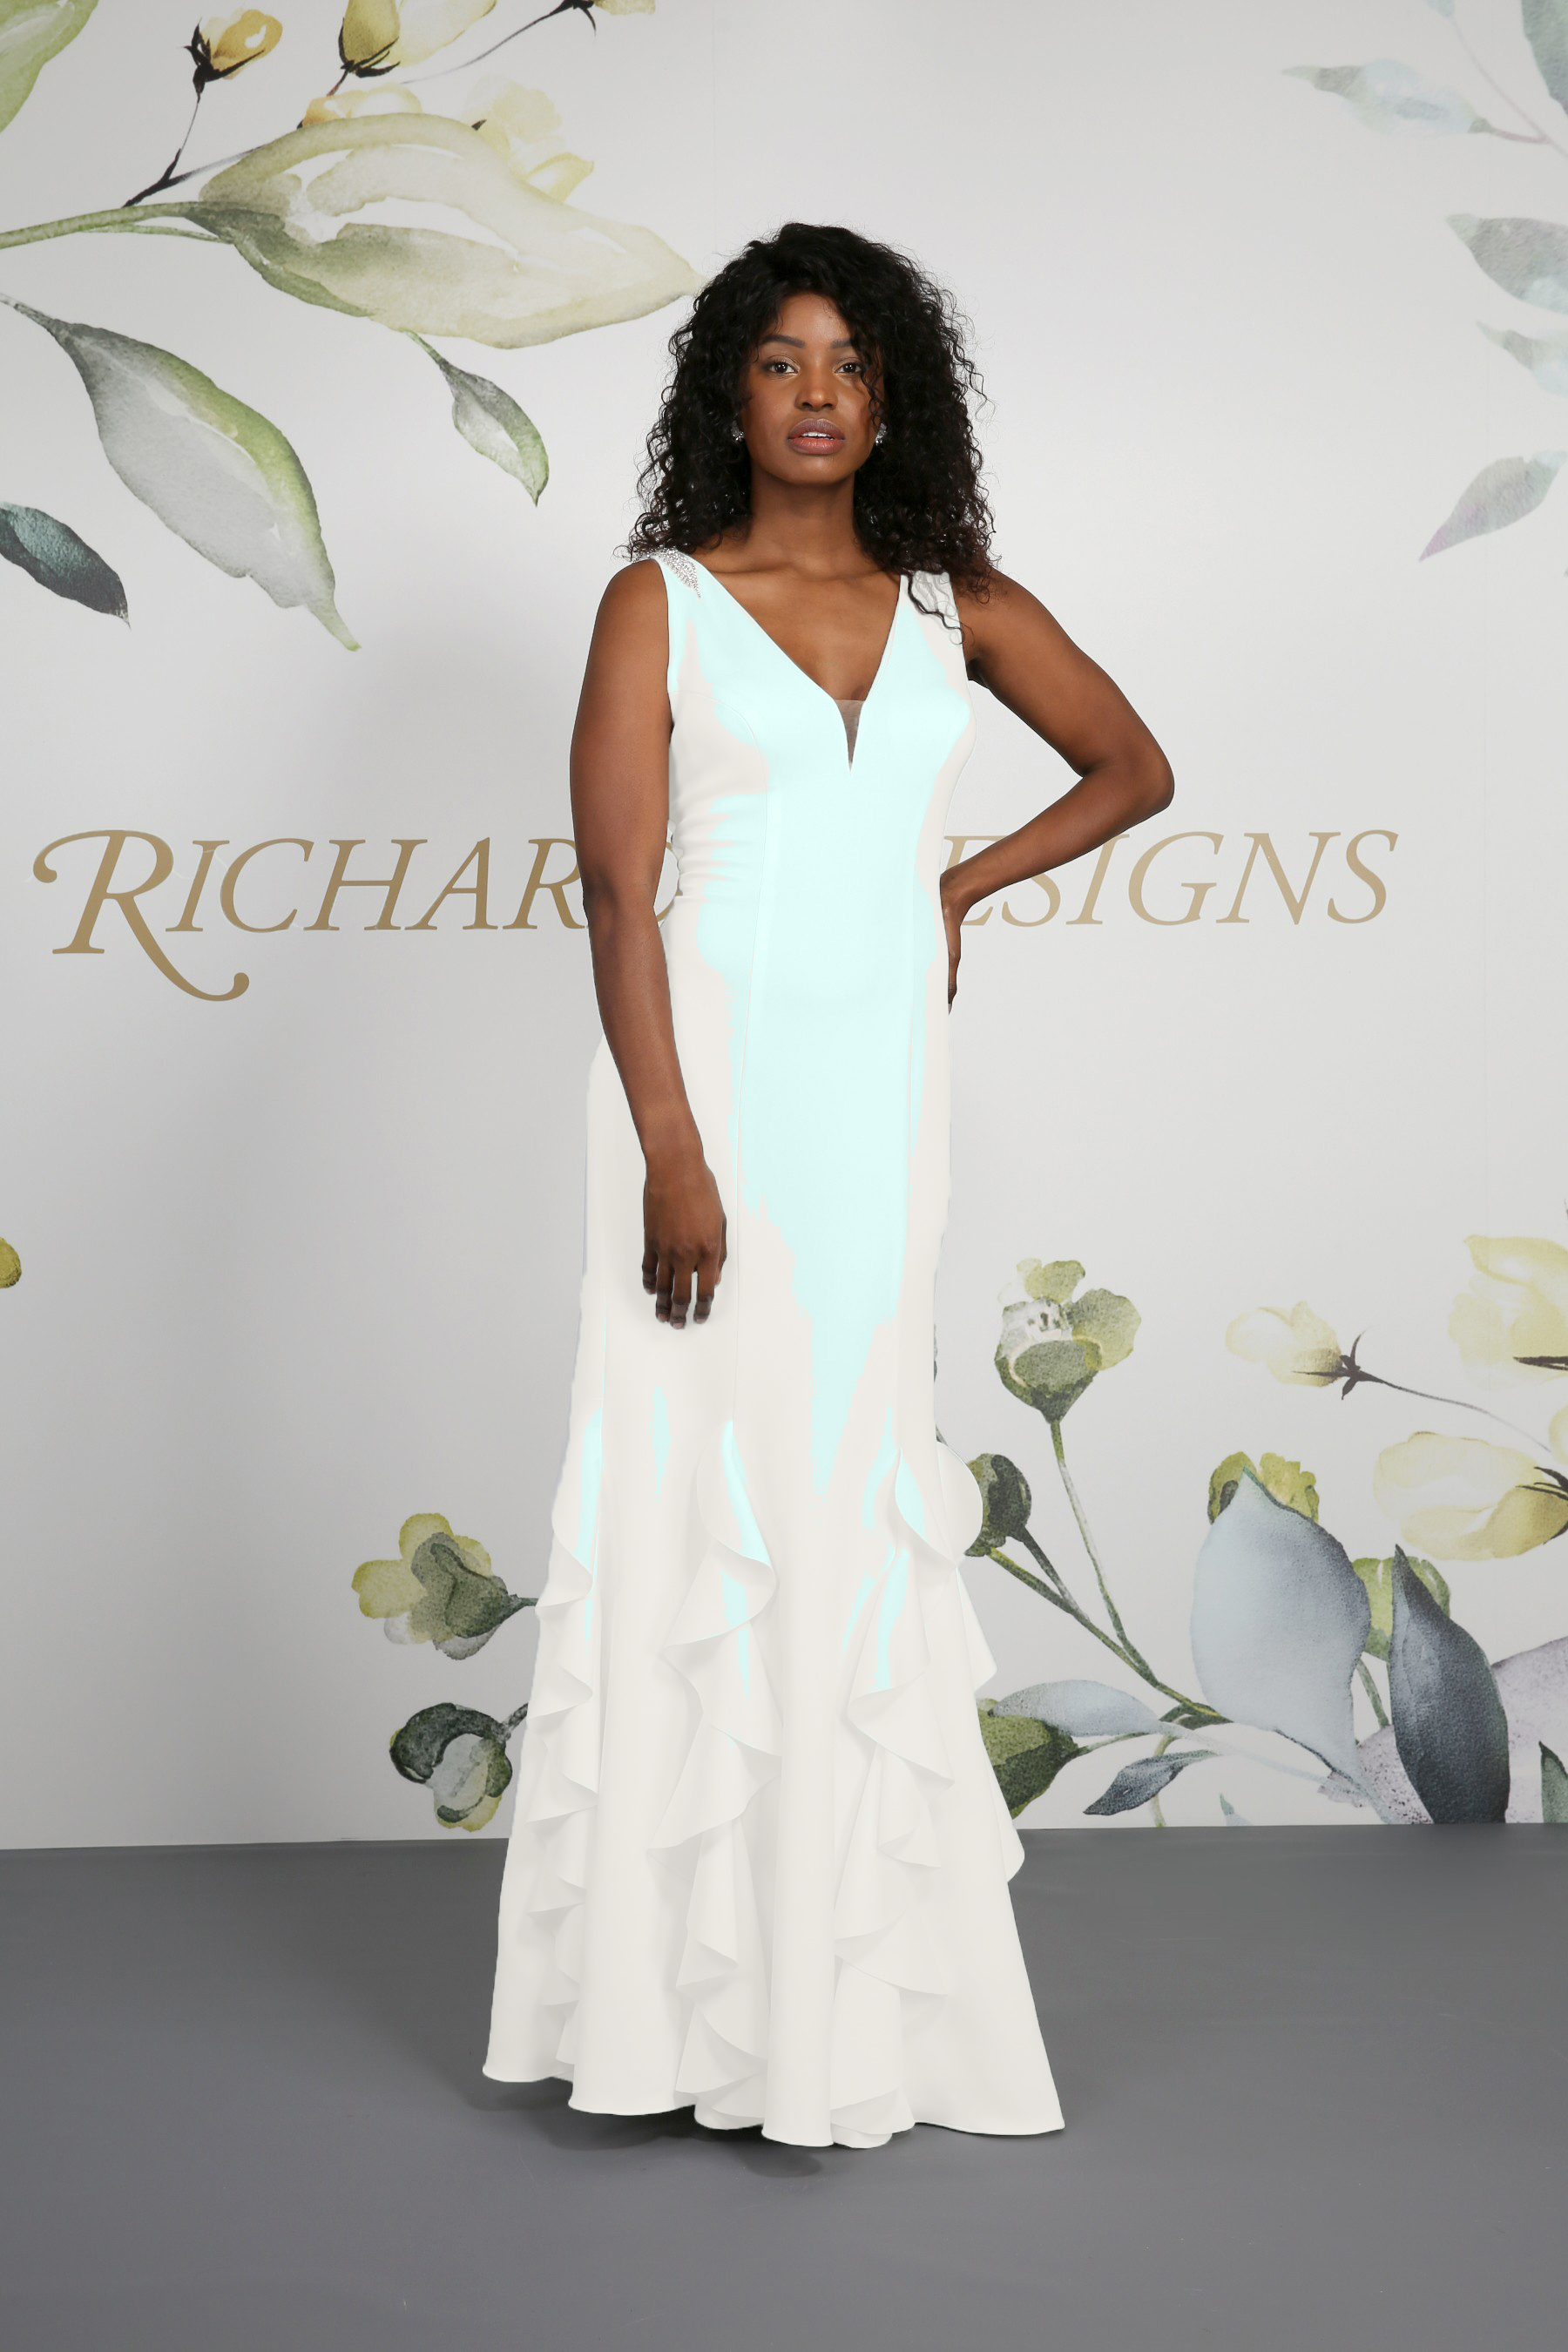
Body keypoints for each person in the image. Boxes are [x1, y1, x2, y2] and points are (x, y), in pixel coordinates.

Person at [483, 222, 1174, 2150]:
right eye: (781, 360)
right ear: (731, 391)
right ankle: (667, 2017)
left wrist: (958, 882)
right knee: (689, 1495)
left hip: (880, 1115)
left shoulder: (962, 606)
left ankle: (845, 2004)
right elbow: (617, 894)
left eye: (850, 365)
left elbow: (1133, 766)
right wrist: (672, 1148)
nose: (814, 394)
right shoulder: (660, 602)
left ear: (893, 401)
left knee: (846, 1485)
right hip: (698, 1104)